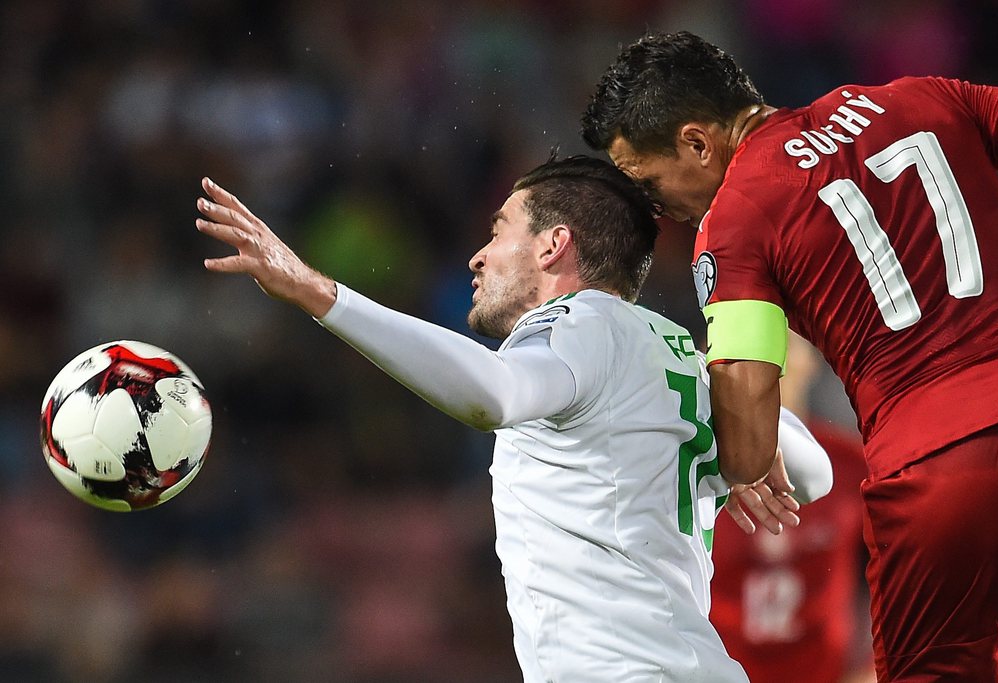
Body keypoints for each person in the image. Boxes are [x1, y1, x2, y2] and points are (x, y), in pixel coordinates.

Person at [194, 155, 831, 682]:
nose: (478, 256)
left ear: (556, 246)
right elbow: (815, 473)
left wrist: (317, 291)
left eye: (499, 232)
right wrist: (753, 428)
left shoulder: (581, 321)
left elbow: (493, 396)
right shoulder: (681, 356)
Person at [581, 30, 998, 681]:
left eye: (647, 183)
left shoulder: (735, 219)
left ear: (698, 143)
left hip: (941, 465)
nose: (655, 209)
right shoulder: (921, 98)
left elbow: (743, 385)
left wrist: (744, 458)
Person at [710, 333, 874, 683]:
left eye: (783, 346)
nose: (770, 365)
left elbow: (904, 575)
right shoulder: (696, 464)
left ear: (813, 363)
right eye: (756, 345)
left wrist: (874, 667)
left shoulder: (853, 466)